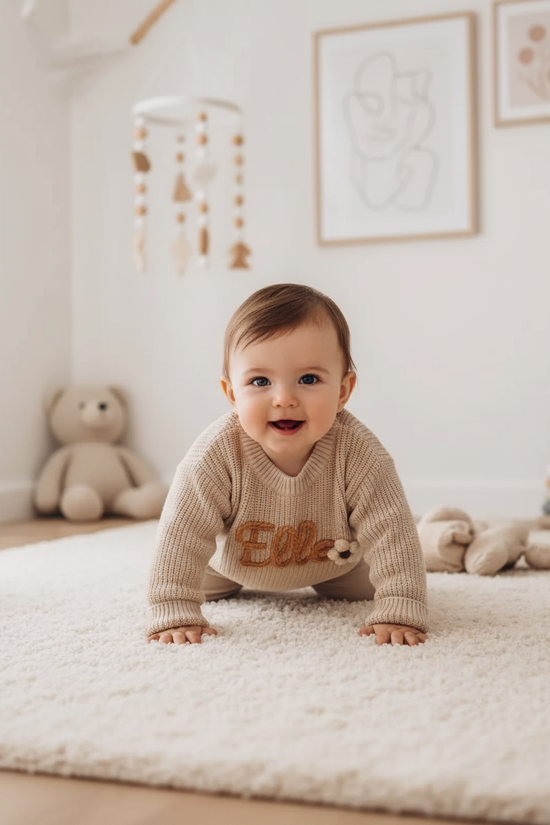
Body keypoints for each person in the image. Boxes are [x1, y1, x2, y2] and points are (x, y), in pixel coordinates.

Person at [147, 284, 428, 647]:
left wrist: (400, 606)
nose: (284, 399)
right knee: (181, 575)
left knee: (384, 575)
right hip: (227, 566)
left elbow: (392, 532)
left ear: (343, 391)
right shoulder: (214, 457)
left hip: (335, 564)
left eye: (308, 379)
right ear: (232, 393)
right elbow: (181, 535)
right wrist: (174, 607)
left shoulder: (361, 455)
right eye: (260, 381)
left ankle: (434, 546)